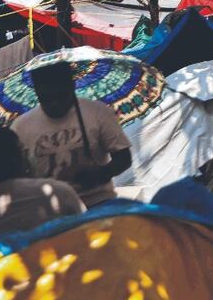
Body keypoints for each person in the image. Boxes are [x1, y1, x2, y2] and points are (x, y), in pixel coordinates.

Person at [11, 62, 133, 207]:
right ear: (36, 91)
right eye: (46, 98)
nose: (54, 104)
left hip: (98, 201)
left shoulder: (98, 112)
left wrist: (100, 174)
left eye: (61, 96)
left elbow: (124, 158)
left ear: (72, 86)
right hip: (50, 210)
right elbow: (16, 176)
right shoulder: (20, 127)